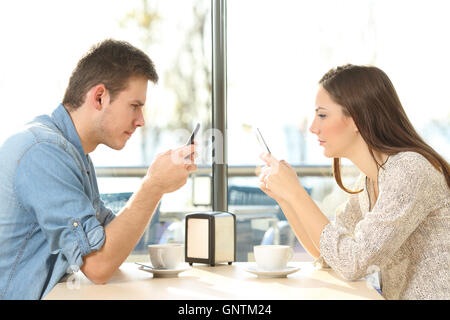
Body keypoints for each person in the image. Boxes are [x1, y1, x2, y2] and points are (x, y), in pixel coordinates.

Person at [0, 39, 197, 299]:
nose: (141, 121)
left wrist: (158, 183)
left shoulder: (73, 155)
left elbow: (108, 244)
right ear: (100, 97)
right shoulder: (43, 152)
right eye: (134, 106)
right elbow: (98, 265)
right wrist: (154, 185)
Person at [258, 64, 449, 300]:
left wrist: (296, 193)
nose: (312, 127)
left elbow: (353, 263)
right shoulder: (370, 181)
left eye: (322, 115)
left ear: (356, 119)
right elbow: (326, 253)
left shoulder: (410, 170)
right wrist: (286, 198)